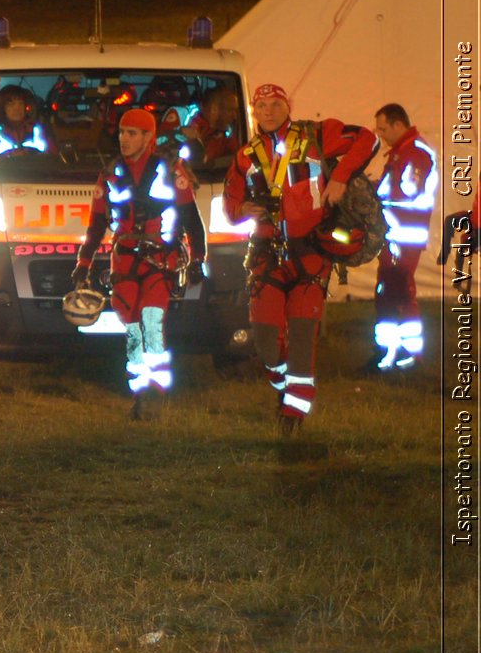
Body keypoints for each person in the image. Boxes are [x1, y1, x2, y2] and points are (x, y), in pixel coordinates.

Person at [223, 83, 377, 431]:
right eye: (262, 106)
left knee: (304, 336)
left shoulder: (316, 135)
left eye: (276, 104)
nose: (269, 111)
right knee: (265, 343)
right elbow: (230, 206)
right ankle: (284, 388)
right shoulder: (246, 155)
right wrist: (243, 208)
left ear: (287, 106)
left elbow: (368, 139)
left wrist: (339, 176)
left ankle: (294, 414)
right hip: (267, 255)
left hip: (311, 253)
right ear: (254, 111)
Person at [71, 107, 207, 417]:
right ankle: (139, 390)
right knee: (131, 327)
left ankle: (155, 393)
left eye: (132, 133)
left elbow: (191, 219)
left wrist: (198, 259)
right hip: (124, 263)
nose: (124, 138)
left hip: (160, 259)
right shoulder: (109, 174)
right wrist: (83, 263)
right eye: (121, 132)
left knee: (151, 321)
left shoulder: (172, 171)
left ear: (149, 137)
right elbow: (96, 225)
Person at [367, 103, 437, 371]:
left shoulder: (416, 153)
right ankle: (388, 353)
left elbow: (409, 192)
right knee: (388, 293)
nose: (381, 135)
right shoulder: (401, 152)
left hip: (404, 237)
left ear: (399, 125)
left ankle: (406, 356)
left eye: (384, 129)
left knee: (398, 294)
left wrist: (375, 196)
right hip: (395, 236)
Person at [0, 85, 50, 156]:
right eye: (11, 104)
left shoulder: (37, 130)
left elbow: (53, 157)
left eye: (20, 103)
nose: (17, 108)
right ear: (3, 108)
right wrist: (9, 156)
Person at [185, 85, 242, 163]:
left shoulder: (223, 131)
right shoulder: (191, 128)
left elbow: (239, 155)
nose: (234, 116)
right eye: (230, 110)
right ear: (214, 109)